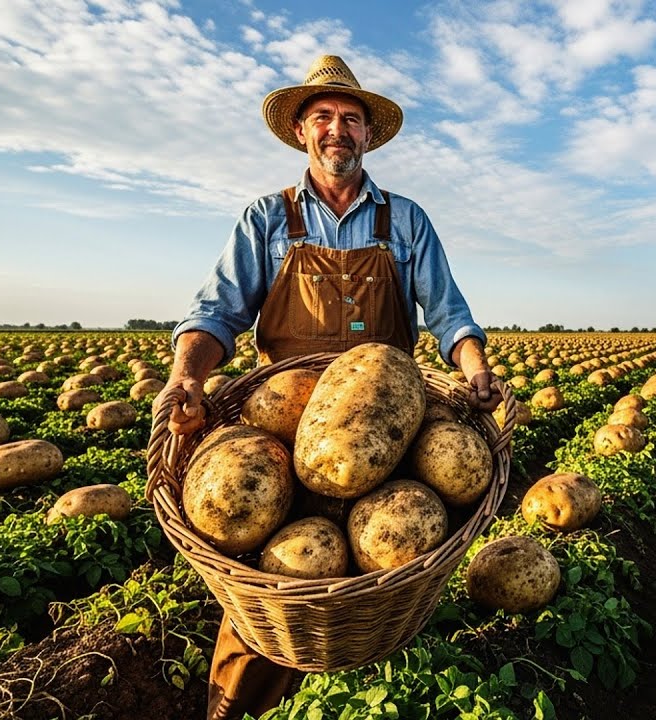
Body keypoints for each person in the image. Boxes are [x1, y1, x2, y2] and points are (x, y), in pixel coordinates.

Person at [157, 53, 499, 720]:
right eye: (322, 117)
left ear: (368, 134)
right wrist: (185, 376)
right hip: (282, 425)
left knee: (389, 577)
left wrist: (475, 366)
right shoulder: (266, 218)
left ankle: (368, 700)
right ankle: (238, 708)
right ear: (301, 132)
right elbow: (217, 313)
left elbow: (449, 312)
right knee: (266, 593)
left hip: (388, 436)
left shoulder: (405, 221)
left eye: (349, 118)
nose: (336, 129)